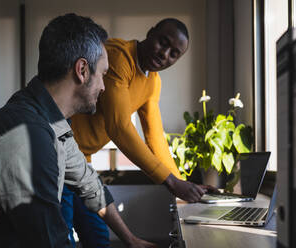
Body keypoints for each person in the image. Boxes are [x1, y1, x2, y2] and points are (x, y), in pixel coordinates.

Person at [0, 13, 155, 248]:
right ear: (82, 70)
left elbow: (90, 184)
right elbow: (49, 240)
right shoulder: (26, 134)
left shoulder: (51, 120)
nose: (104, 87)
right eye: (103, 74)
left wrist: (132, 240)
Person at [65, 18, 216, 247]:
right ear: (151, 32)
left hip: (81, 161)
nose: (165, 54)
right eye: (163, 42)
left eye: (174, 53)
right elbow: (119, 126)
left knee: (97, 237)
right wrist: (173, 184)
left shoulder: (153, 82)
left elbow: (155, 137)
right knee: (61, 238)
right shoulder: (119, 56)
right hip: (60, 154)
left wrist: (183, 185)